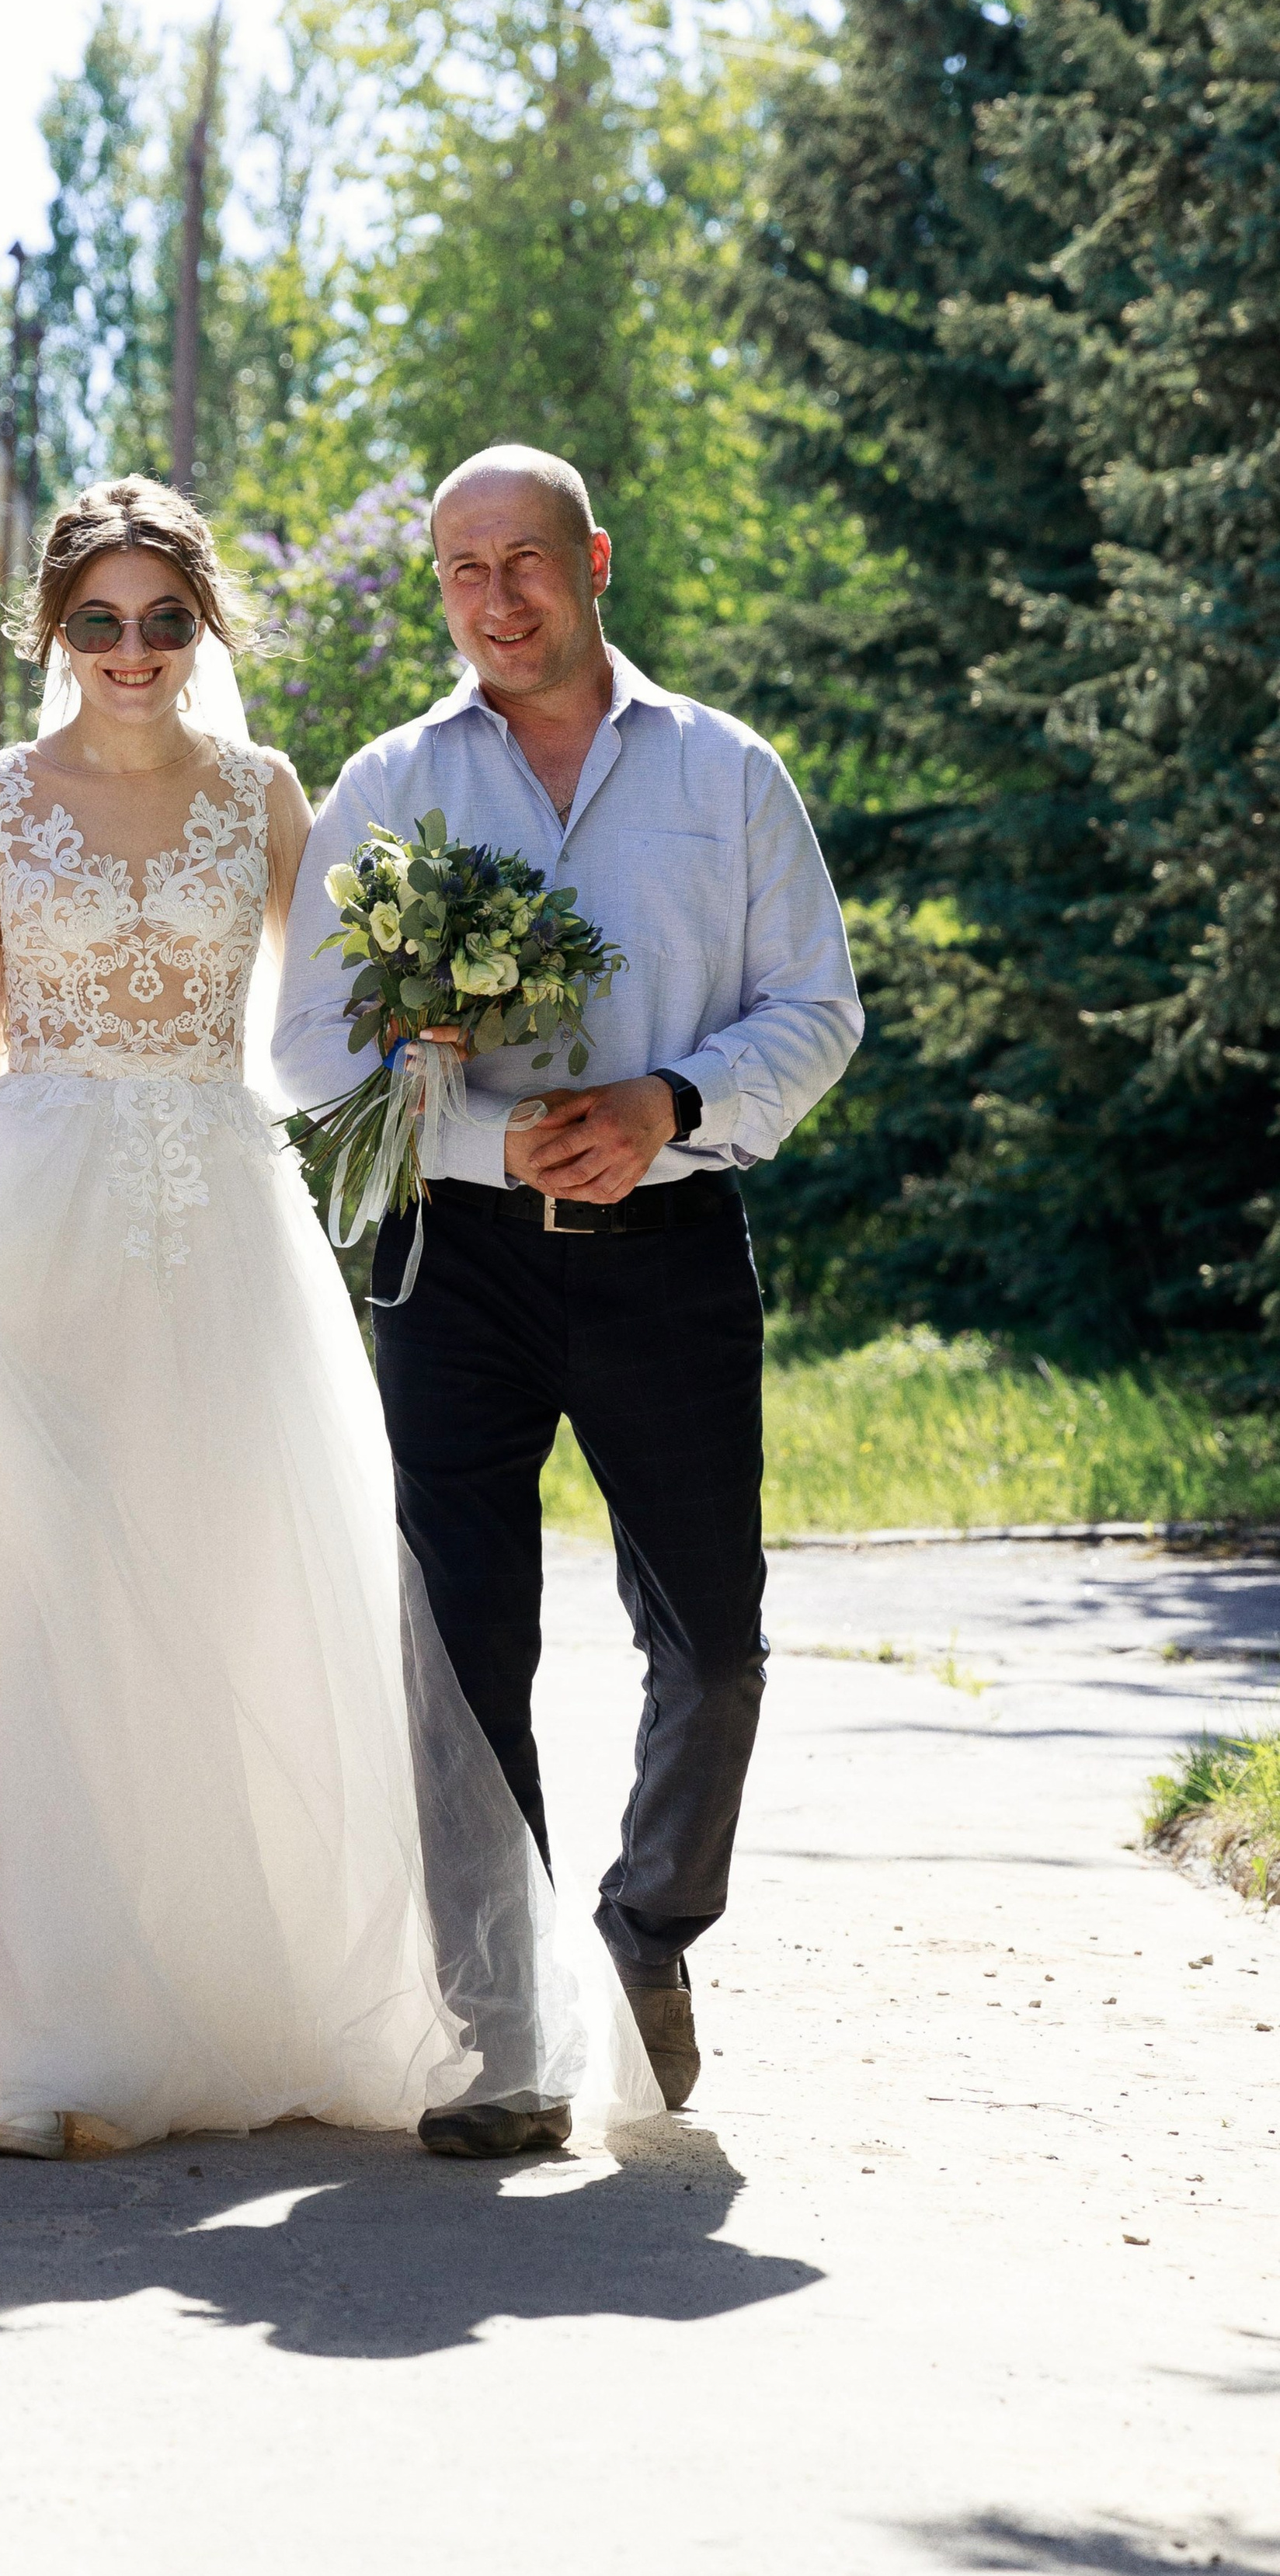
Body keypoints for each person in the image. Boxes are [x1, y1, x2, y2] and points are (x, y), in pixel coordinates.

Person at [0, 475, 655, 2161]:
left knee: (227, 1596)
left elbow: (336, 1008)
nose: (131, 651)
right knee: (44, 1616)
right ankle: (49, 2038)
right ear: (54, 635)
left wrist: (442, 1017)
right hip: (28, 1214)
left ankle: (251, 1998)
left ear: (204, 628)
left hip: (216, 1222)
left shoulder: (265, 794)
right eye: (97, 622)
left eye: (163, 619)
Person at [273, 443, 862, 2131]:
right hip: (448, 1265)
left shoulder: (724, 773)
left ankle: (644, 1931)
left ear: (590, 558)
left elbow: (813, 1009)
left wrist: (662, 1108)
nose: (491, 598)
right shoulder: (389, 784)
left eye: (520, 559)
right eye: (458, 570)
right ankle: (500, 2031)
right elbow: (311, 1048)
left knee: (714, 1642)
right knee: (460, 1645)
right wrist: (467, 1129)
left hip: (668, 1255)